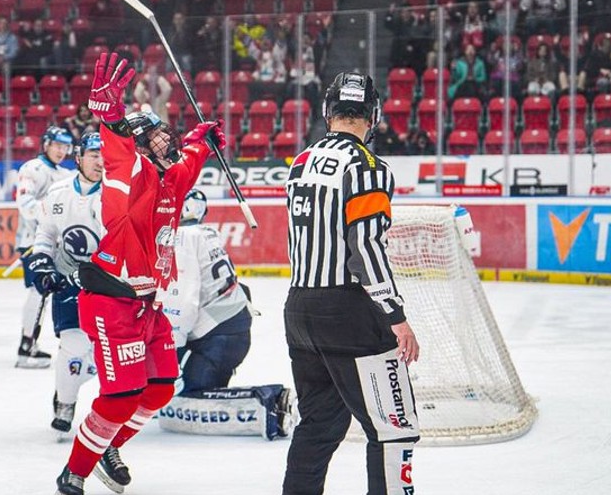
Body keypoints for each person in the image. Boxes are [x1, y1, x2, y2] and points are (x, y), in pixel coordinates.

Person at [49, 52, 220, 495]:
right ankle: (74, 473)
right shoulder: (131, 172)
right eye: (157, 136)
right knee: (121, 395)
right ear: (141, 147)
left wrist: (203, 140)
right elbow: (119, 151)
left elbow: (189, 163)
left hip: (148, 305)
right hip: (113, 302)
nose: (167, 139)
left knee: (160, 388)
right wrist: (112, 118)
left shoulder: (170, 177)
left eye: (166, 133)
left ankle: (106, 446)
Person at [282, 72, 420, 495]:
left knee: (319, 424)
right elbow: (365, 247)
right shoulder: (368, 167)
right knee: (394, 427)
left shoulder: (300, 162)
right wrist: (395, 315)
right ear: (373, 116)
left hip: (299, 310)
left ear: (329, 112)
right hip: (348, 312)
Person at [157, 189, 294, 440]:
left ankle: (270, 401)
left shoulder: (182, 238)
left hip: (219, 336)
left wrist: (170, 352)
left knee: (184, 403)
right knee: (182, 393)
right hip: (228, 330)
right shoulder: (206, 234)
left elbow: (183, 301)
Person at [26, 133, 105, 439]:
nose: (100, 161)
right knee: (73, 345)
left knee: (102, 354)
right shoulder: (58, 192)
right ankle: (66, 402)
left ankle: (79, 388)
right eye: (94, 155)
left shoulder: (116, 193)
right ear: (79, 158)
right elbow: (46, 234)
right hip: (68, 278)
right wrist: (42, 262)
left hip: (107, 281)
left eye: (104, 155)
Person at [14, 126, 77, 369]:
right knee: (38, 292)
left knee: (55, 294)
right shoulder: (32, 169)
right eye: (57, 145)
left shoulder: (67, 174)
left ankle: (52, 343)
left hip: (58, 245)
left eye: (65, 147)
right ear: (46, 144)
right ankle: (26, 345)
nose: (61, 151)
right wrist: (53, 215)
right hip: (34, 242)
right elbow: (26, 204)